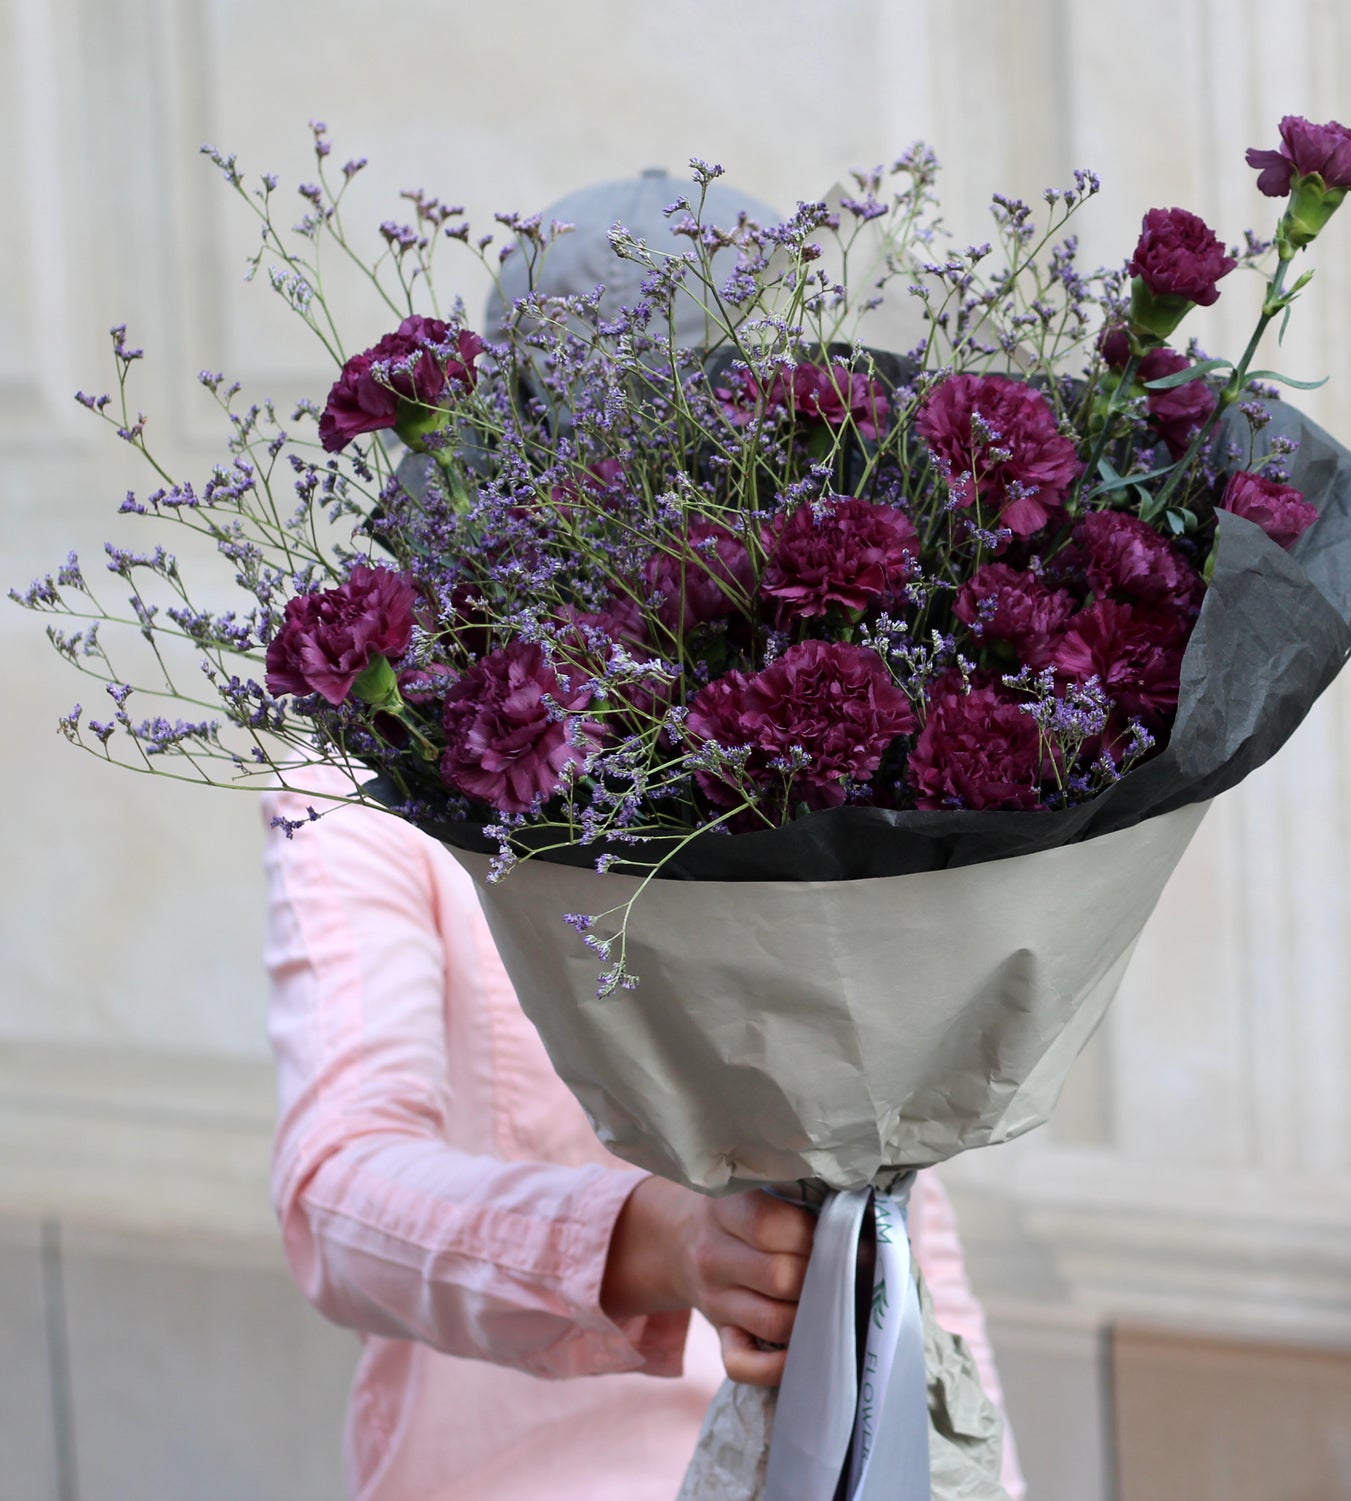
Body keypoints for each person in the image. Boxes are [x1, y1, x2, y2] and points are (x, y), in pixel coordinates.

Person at [262, 173, 1025, 1500]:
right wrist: (649, 1240)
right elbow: (336, 1192)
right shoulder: (363, 775)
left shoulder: (826, 734)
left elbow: (904, 1182)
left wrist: (974, 1465)